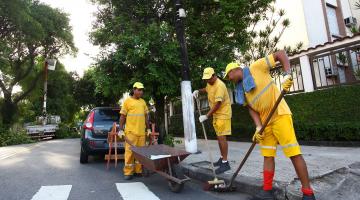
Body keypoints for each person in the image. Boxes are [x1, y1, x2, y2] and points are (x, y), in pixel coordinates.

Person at [223, 50, 315, 200]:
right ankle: (267, 189)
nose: (229, 79)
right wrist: (258, 126)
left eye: (229, 75)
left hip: (279, 114)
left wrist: (287, 74)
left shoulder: (256, 67)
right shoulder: (242, 90)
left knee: (293, 153)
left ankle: (308, 193)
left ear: (235, 70)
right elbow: (251, 109)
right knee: (267, 155)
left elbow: (280, 54)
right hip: (266, 123)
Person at [193, 67, 232, 174]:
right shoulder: (210, 84)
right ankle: (221, 158)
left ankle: (225, 163)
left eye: (209, 79)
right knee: (219, 138)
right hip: (216, 115)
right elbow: (207, 89)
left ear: (214, 75)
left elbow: (217, 104)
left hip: (223, 114)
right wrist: (198, 91)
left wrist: (206, 116)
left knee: (222, 138)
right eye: (205, 79)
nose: (207, 81)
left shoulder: (220, 85)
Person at [118, 82, 151, 180]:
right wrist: (120, 129)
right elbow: (122, 116)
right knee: (130, 153)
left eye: (142, 90)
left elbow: (146, 117)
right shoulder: (127, 102)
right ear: (134, 90)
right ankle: (128, 172)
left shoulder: (143, 102)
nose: (141, 92)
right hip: (131, 133)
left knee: (140, 154)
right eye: (139, 90)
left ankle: (138, 170)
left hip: (141, 133)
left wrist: (148, 128)